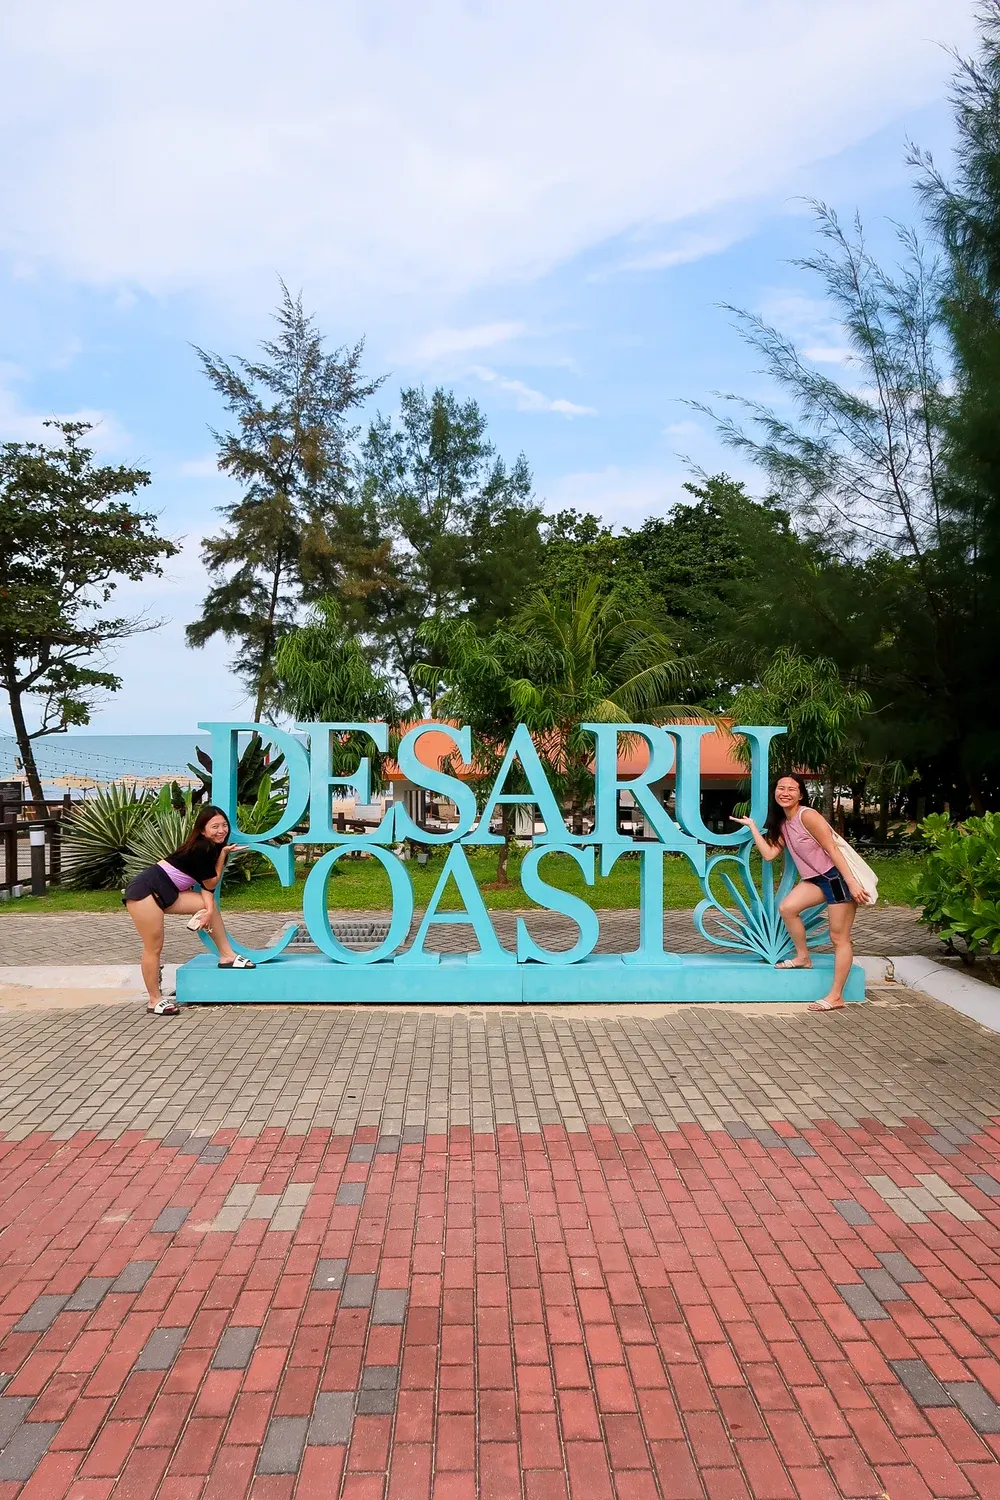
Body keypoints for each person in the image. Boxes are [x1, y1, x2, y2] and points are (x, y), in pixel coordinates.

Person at [731, 773, 872, 1012]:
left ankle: (836, 996)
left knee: (839, 938)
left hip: (836, 879)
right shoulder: (784, 824)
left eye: (791, 789)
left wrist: (852, 883)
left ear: (801, 795)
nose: (785, 793)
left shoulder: (808, 816)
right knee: (787, 908)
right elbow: (769, 854)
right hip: (816, 879)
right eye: (781, 788)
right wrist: (753, 827)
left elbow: (833, 849)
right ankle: (803, 958)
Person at [123, 804, 254, 1015]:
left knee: (206, 906)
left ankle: (227, 956)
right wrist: (223, 855)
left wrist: (208, 910)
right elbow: (211, 883)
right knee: (154, 947)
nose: (221, 830)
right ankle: (154, 1000)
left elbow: (206, 890)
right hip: (145, 892)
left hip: (168, 891)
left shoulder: (210, 847)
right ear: (202, 830)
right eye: (215, 827)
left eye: (224, 825)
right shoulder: (203, 848)